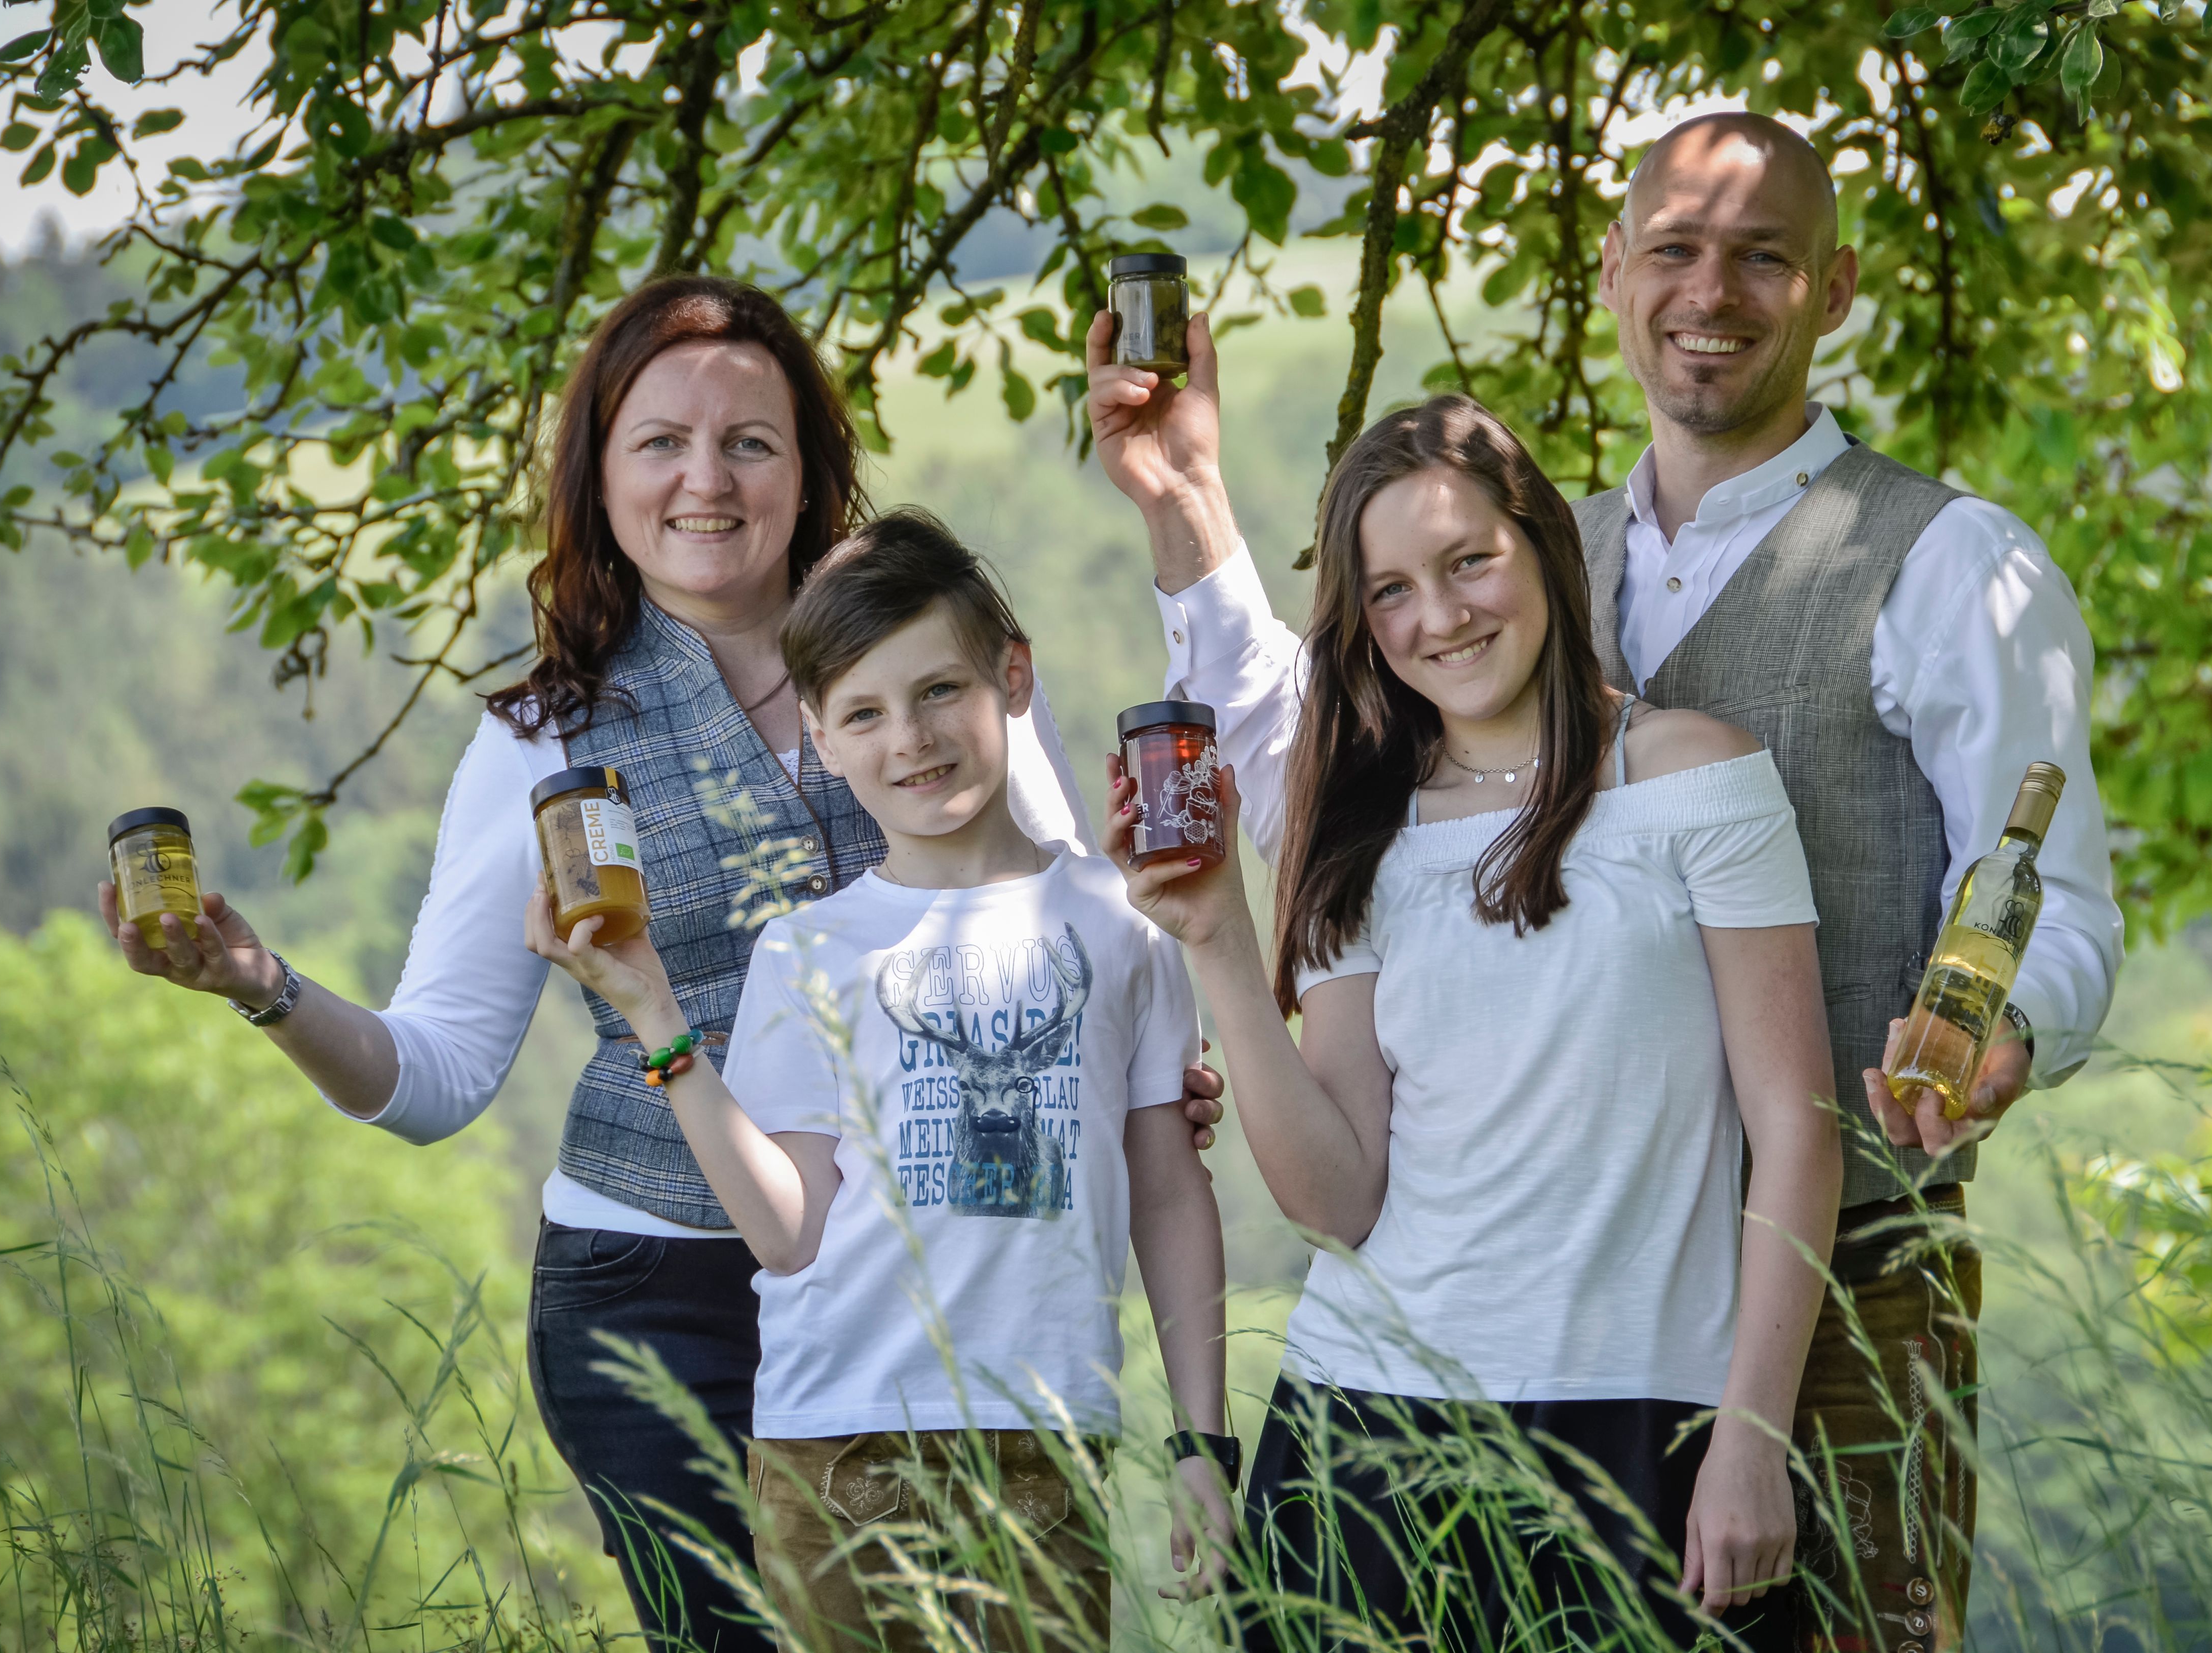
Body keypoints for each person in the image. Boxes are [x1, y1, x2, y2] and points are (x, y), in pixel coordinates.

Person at [1088, 114, 2125, 1651]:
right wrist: (1186, 510)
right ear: (1615, 275)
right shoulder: (1525, 552)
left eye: (1763, 256)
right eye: (1679, 251)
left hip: (1837, 1284)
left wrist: (2002, 1037)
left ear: (1832, 288)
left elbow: (2061, 898)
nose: (1714, 291)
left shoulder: (1952, 561)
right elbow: (1353, 784)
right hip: (1486, 1323)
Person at [95, 276, 1226, 1653]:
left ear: (808, 470)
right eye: (661, 444)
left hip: (921, 1294)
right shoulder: (543, 739)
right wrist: (261, 986)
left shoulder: (917, 663)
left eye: (750, 441)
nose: (707, 478)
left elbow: (1050, 926)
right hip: (660, 1306)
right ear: (601, 476)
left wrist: (1141, 1081)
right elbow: (442, 1074)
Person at [1102, 395, 1840, 1649]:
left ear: (1542, 545)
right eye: (1390, 591)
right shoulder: (1357, 829)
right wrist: (1222, 935)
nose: (1437, 618)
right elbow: (1338, 1200)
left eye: (1467, 563)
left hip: (1641, 1432)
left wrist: (1751, 1438)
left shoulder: (1696, 776)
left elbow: (1797, 1128)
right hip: (1365, 1436)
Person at [528, 510, 1235, 1649]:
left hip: (1048, 1442)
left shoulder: (1123, 925)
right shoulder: (808, 954)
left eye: (939, 691)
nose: (909, 739)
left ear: (1013, 674)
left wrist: (1204, 1445)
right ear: (819, 734)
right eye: (863, 713)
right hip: (838, 1446)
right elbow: (789, 1233)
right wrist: (656, 1019)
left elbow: (1167, 1192)